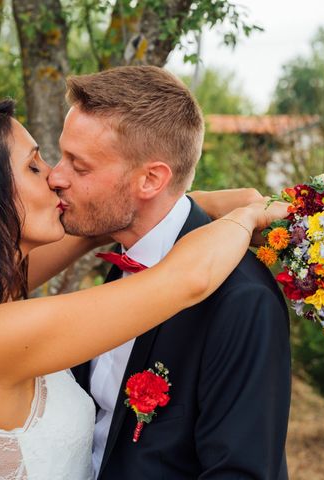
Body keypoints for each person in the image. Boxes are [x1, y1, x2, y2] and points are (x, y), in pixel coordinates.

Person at [0, 83, 288, 480]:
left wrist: (190, 201)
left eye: (73, 165)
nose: (55, 177)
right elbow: (186, 279)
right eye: (34, 166)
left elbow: (101, 225)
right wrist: (248, 216)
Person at [46, 66, 292, 480]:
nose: (56, 176)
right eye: (61, 155)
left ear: (151, 180)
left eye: (79, 166)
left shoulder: (243, 300)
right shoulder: (124, 254)